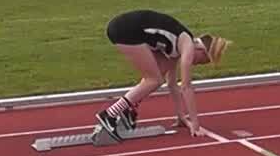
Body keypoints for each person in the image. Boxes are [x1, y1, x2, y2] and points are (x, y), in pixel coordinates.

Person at [96, 10, 230, 140]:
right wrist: (195, 124)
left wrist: (181, 116)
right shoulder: (187, 46)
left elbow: (172, 84)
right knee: (154, 80)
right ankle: (109, 114)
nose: (197, 64)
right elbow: (186, 87)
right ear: (201, 50)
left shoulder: (177, 47)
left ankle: (127, 109)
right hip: (126, 29)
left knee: (156, 76)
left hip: (130, 29)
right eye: (202, 61)